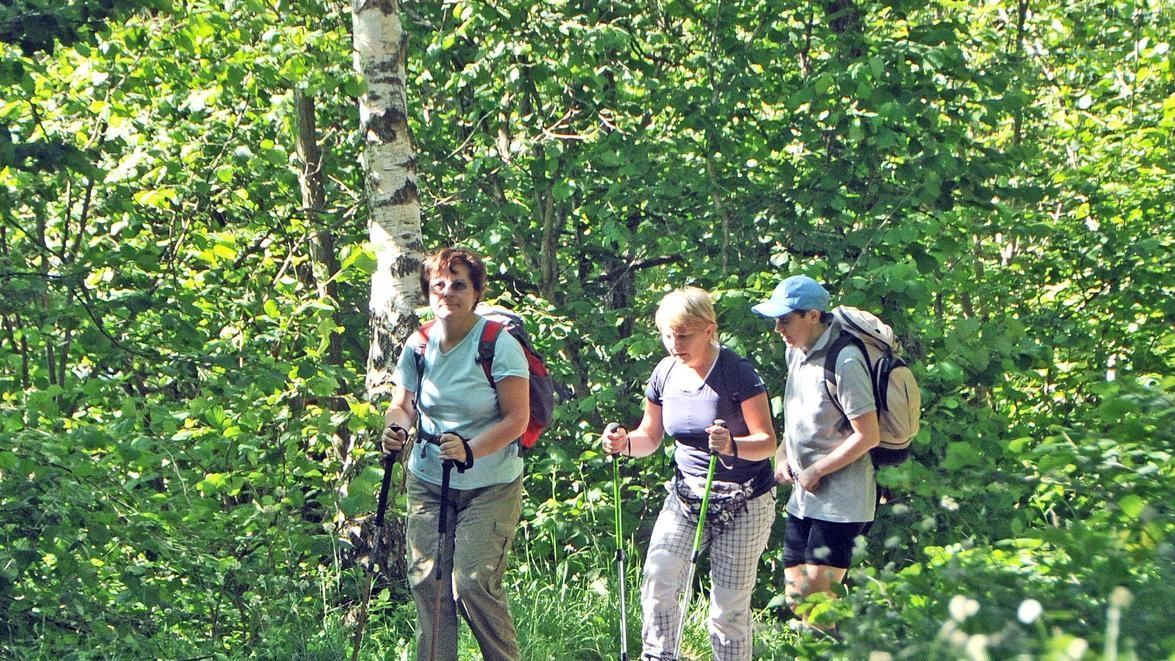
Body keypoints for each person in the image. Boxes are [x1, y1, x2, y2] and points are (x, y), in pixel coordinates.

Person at [601, 287, 777, 661]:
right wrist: (622, 443)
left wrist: (731, 445)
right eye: (668, 334)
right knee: (658, 579)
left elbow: (766, 442)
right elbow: (649, 436)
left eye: (684, 335)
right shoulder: (665, 372)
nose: (674, 344)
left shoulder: (738, 373)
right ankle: (660, 655)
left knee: (727, 607)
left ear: (709, 330)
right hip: (686, 497)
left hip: (745, 501)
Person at [379, 247, 529, 661]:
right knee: (429, 581)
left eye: (459, 284)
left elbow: (517, 418)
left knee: (473, 583)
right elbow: (404, 405)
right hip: (429, 479)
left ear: (477, 292)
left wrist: (469, 449)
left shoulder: (499, 345)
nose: (448, 293)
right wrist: (394, 429)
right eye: (438, 285)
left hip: (491, 484)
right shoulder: (419, 344)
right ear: (428, 292)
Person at [751, 275, 880, 633]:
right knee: (798, 597)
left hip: (842, 502)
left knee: (820, 605)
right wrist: (781, 456)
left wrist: (817, 470)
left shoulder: (846, 360)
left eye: (785, 319)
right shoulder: (796, 352)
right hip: (804, 498)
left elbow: (868, 435)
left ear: (812, 315)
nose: (778, 328)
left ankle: (832, 650)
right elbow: (797, 420)